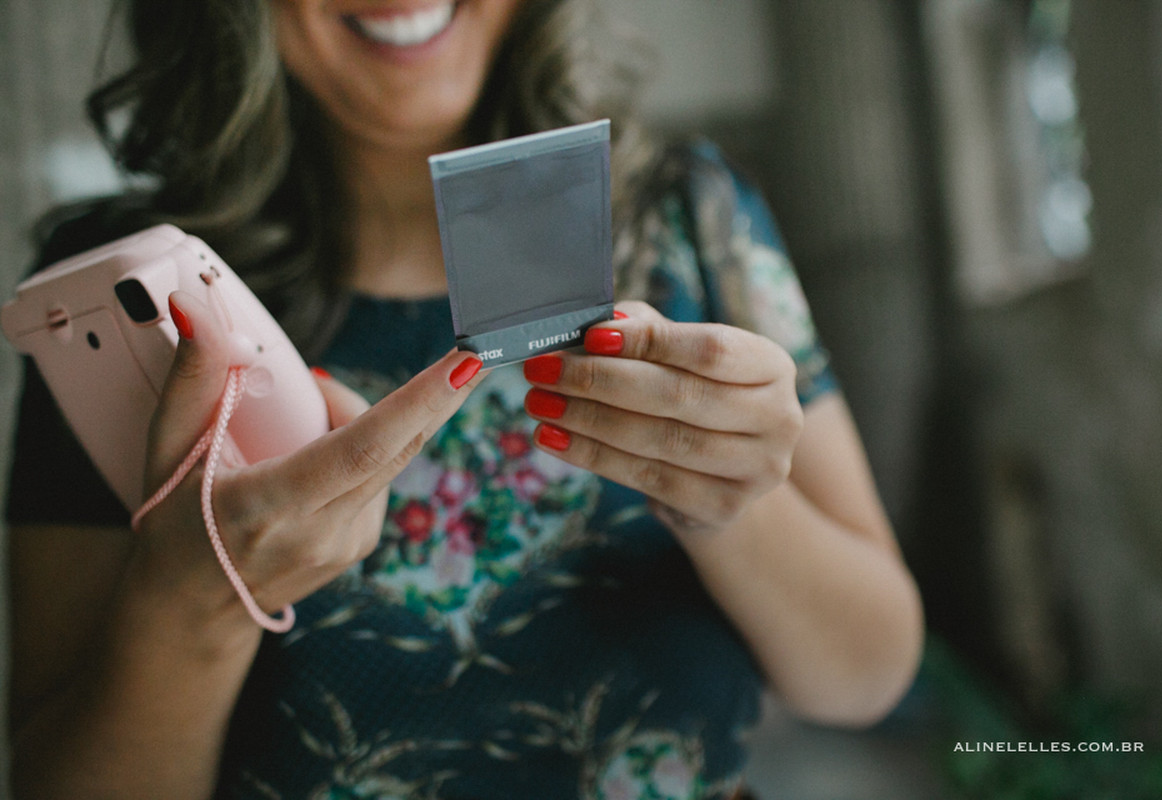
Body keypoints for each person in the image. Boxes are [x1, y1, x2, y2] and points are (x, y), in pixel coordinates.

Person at [6, 0, 924, 797]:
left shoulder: (690, 220)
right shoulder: (127, 305)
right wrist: (191, 609)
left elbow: (867, 677)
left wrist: (730, 509)